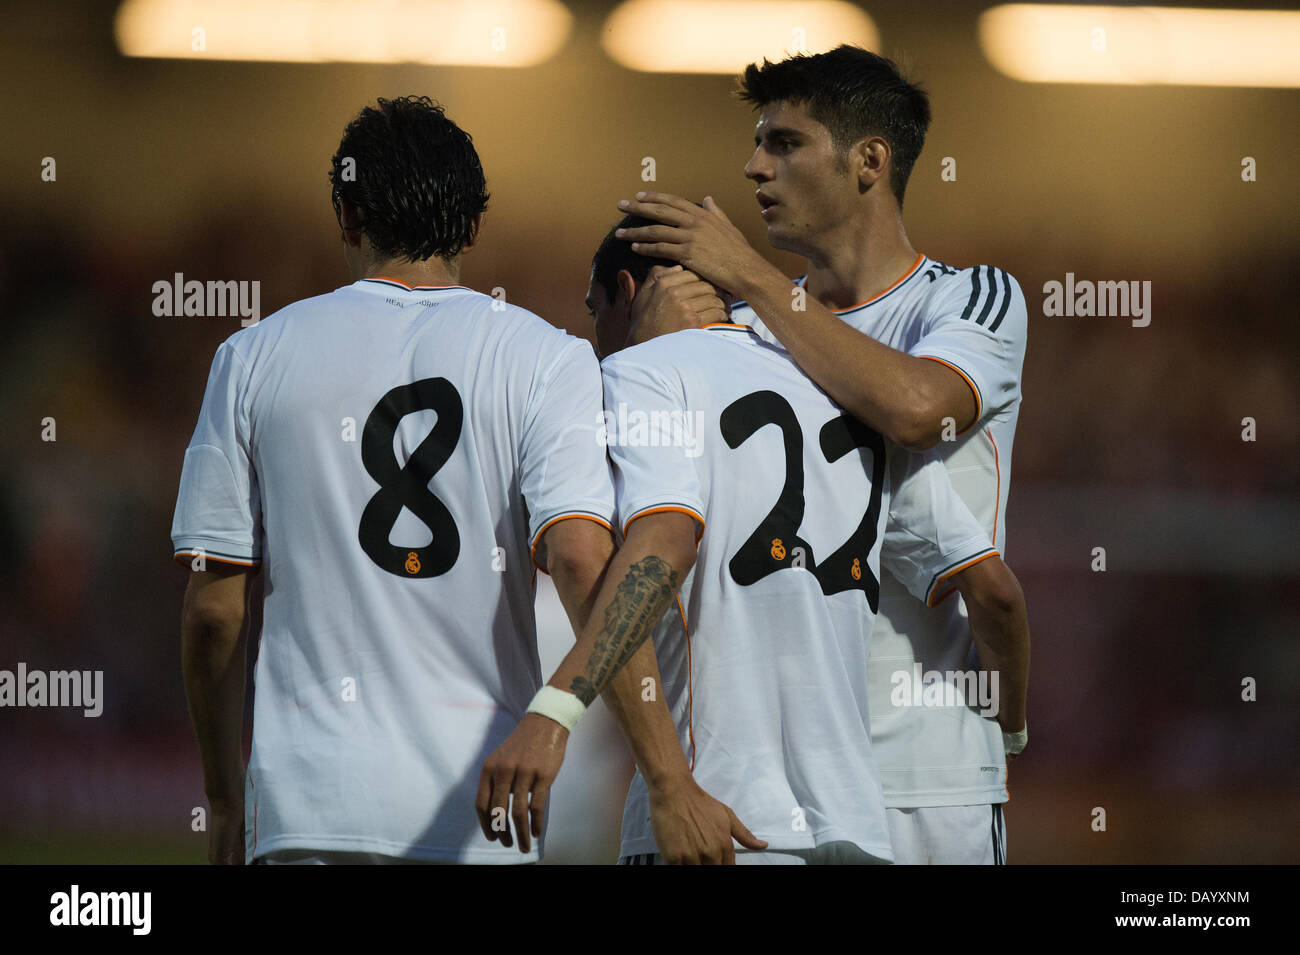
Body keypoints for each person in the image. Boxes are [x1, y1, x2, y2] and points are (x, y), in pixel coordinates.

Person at [173, 95, 630, 864]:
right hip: (485, 807)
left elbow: (215, 610)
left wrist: (223, 798)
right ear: (474, 224)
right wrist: (564, 714)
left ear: (345, 215)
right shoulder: (549, 358)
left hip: (307, 804)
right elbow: (582, 564)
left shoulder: (251, 357)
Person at [615, 45, 1031, 864]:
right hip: (782, 779)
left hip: (929, 767)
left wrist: (751, 277)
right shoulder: (742, 336)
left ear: (870, 160)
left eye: (784, 143)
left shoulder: (967, 297)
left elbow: (918, 409)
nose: (753, 167)